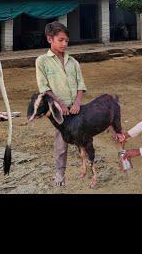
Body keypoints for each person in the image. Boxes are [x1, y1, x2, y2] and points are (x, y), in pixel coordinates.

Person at [35, 21, 87, 187]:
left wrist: (77, 103)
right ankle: (59, 173)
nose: (65, 44)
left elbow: (81, 85)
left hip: (76, 108)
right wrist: (60, 105)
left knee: (83, 139)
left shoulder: (73, 62)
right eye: (61, 40)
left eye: (67, 40)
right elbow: (44, 87)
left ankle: (87, 167)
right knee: (61, 142)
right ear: (50, 39)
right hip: (59, 111)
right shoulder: (42, 61)